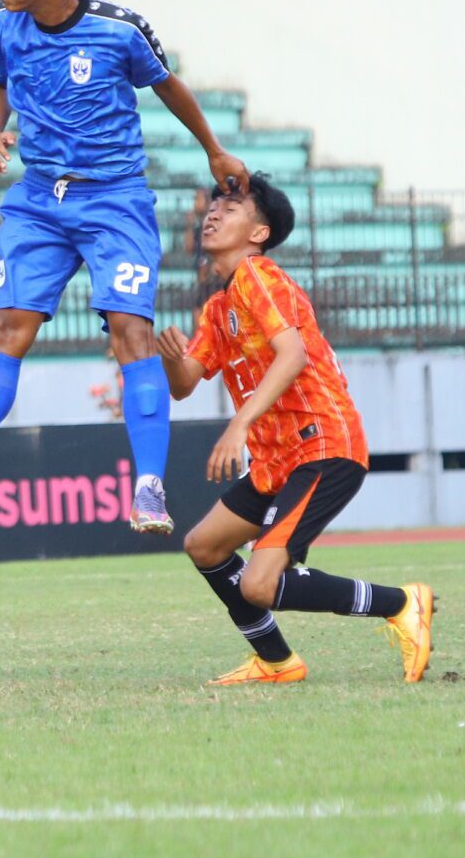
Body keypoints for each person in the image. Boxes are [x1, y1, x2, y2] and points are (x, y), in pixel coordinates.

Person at [0, 0, 248, 538]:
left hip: (115, 199)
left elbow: (168, 86)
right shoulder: (1, 27)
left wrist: (213, 150)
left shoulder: (117, 30)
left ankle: (149, 487)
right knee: (6, 326)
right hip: (39, 199)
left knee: (130, 330)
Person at [165, 175, 435, 686]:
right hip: (277, 462)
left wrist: (238, 424)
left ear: (259, 233)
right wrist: (167, 358)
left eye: (232, 205)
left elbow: (294, 355)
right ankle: (276, 661)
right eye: (214, 204)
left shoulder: (257, 276)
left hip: (323, 444)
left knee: (259, 585)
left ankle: (402, 604)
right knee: (204, 546)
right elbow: (183, 386)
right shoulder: (219, 309)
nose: (214, 212)